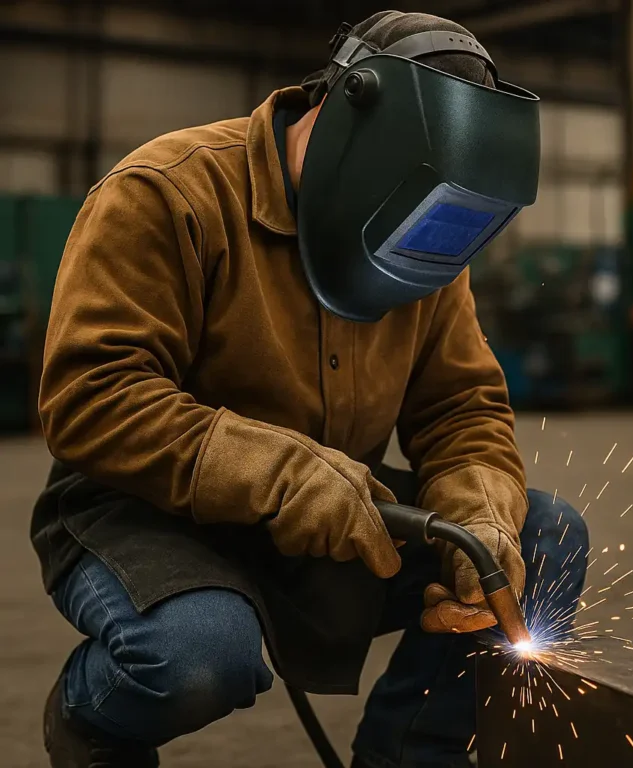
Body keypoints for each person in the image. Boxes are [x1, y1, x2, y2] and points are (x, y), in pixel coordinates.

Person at [33, 10, 589, 768]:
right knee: (199, 656)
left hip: (333, 510)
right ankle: (93, 718)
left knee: (541, 541)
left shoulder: (426, 232)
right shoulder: (168, 193)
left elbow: (461, 407)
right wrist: (283, 472)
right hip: (144, 511)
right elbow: (92, 396)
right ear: (342, 118)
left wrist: (481, 507)